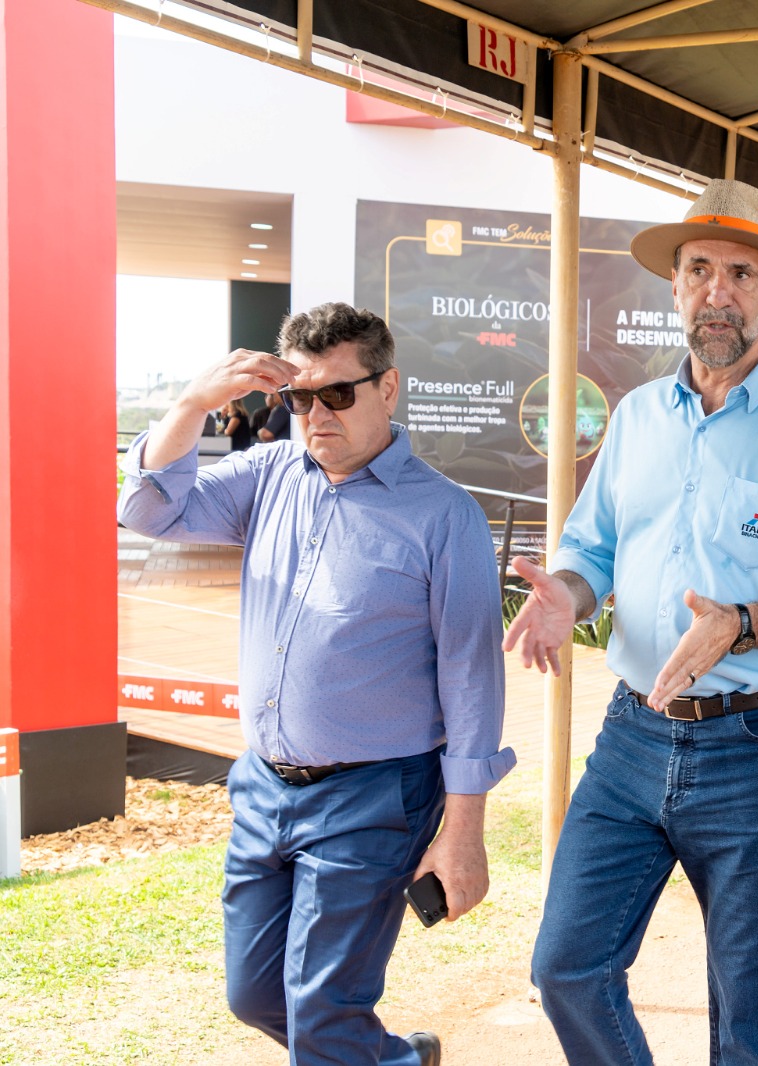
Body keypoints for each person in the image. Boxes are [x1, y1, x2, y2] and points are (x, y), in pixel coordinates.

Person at [507, 180, 758, 1065]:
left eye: (742, 273)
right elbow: (591, 547)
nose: (719, 290)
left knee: (748, 1024)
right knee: (567, 967)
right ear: (676, 286)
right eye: (700, 270)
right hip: (632, 737)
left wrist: (745, 625)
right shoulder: (640, 415)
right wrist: (569, 591)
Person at [118, 302, 514, 1066]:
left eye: (337, 394)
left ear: (388, 388)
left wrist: (463, 835)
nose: (315, 415)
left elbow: (472, 679)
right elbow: (146, 511)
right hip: (264, 787)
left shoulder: (444, 515)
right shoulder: (267, 475)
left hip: (375, 796)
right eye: (299, 397)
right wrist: (189, 405)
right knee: (256, 994)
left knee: (324, 1011)